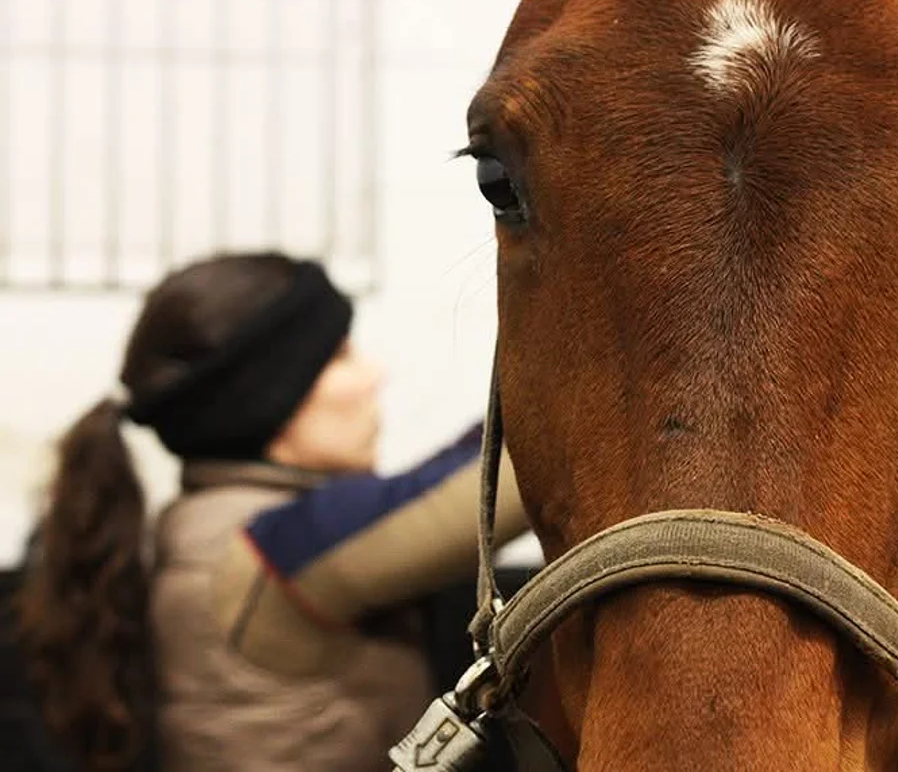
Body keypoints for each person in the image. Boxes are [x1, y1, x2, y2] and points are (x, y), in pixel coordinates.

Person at [15, 252, 530, 772]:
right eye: (339, 355)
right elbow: (512, 472)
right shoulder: (269, 549)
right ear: (271, 398)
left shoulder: (204, 525)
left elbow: (445, 476)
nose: (374, 374)